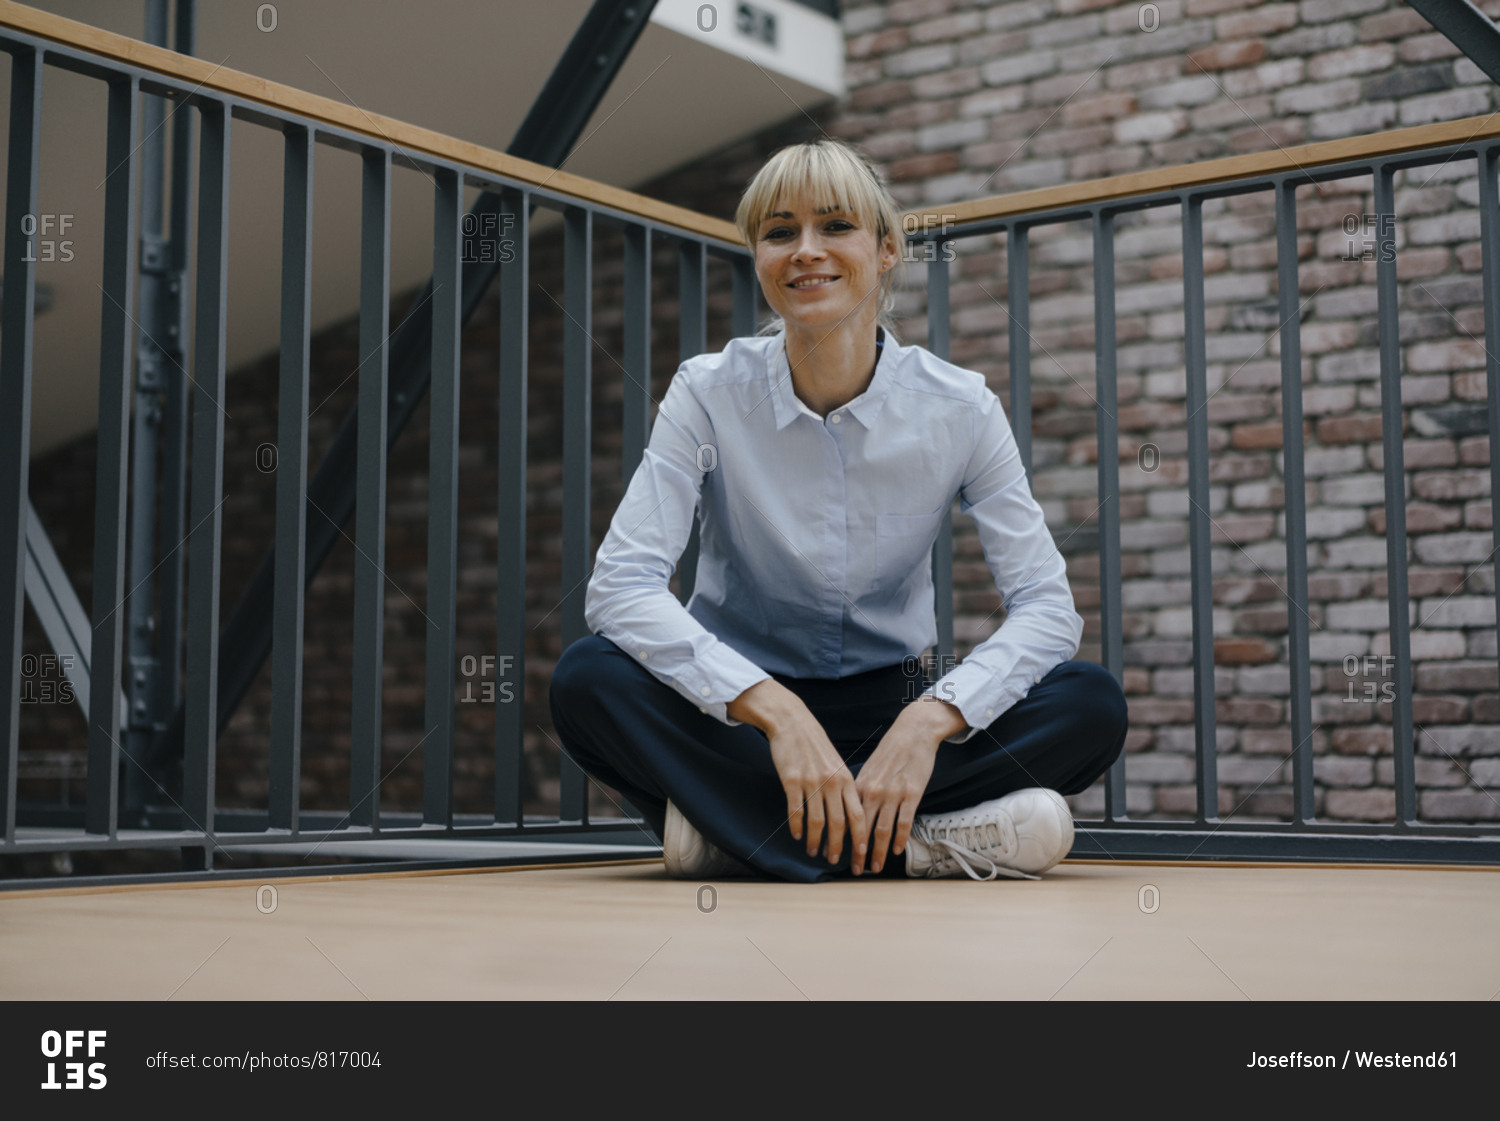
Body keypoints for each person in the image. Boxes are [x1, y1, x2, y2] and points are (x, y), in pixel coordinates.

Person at [549, 139, 1127, 883]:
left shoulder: (961, 408)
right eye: (780, 232)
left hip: (894, 701)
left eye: (835, 226)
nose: (806, 251)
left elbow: (1047, 608)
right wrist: (775, 712)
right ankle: (918, 844)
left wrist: (931, 721)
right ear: (758, 256)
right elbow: (621, 587)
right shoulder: (706, 391)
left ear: (886, 251)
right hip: (742, 716)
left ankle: (736, 833)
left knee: (1091, 703)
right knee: (587, 679)